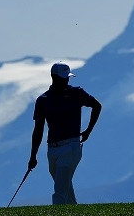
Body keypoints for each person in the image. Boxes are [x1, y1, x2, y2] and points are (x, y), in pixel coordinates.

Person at [28, 62, 102, 205]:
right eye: (63, 77)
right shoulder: (43, 100)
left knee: (60, 190)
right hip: (52, 150)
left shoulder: (76, 93)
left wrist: (89, 130)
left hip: (71, 147)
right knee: (65, 188)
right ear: (53, 77)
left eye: (67, 77)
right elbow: (38, 130)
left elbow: (97, 106)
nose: (66, 80)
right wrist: (33, 156)